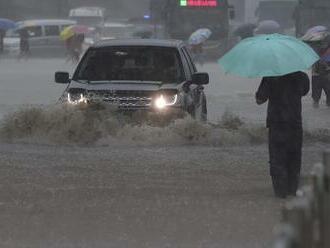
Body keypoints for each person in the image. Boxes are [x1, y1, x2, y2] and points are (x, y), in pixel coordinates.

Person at [255, 71, 310, 198]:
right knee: (294, 159)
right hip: (295, 124)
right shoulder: (301, 76)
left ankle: (280, 194)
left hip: (277, 124)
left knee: (277, 160)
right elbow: (304, 92)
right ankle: (292, 191)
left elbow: (260, 99)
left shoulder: (270, 76)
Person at [311, 39, 330, 108]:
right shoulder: (314, 50)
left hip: (324, 74)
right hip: (318, 73)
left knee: (327, 89)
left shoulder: (314, 49)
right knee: (317, 90)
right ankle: (316, 103)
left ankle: (326, 102)